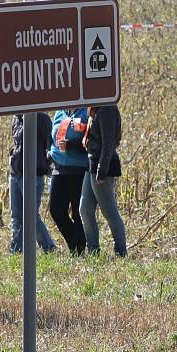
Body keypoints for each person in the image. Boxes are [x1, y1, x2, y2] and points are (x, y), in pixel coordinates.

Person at [80, 105, 126, 256]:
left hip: (103, 166)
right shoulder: (96, 108)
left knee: (109, 211)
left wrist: (102, 171)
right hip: (91, 163)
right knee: (85, 209)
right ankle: (93, 251)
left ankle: (121, 252)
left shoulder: (107, 110)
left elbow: (108, 145)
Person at [8, 113, 56, 253]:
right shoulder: (16, 118)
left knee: (30, 215)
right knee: (16, 216)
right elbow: (16, 142)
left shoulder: (41, 118)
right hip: (15, 173)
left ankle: (48, 247)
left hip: (34, 174)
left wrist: (44, 165)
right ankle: (16, 251)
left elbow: (50, 145)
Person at [48, 108, 89, 255]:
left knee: (78, 213)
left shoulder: (85, 112)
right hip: (59, 167)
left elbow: (92, 139)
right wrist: (50, 153)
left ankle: (78, 250)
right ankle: (75, 244)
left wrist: (71, 144)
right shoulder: (59, 112)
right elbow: (51, 137)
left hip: (79, 168)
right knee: (56, 209)